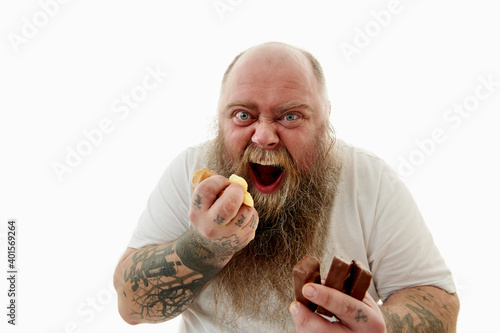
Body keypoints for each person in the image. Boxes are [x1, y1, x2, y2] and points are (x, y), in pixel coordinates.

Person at [113, 42, 460, 332]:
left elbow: (439, 302)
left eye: (290, 116)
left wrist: (385, 327)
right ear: (219, 120)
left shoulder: (370, 180)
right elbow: (131, 307)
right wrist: (201, 248)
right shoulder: (191, 172)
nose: (264, 136)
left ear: (325, 123)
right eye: (243, 115)